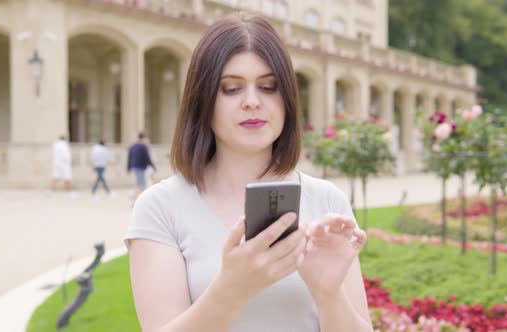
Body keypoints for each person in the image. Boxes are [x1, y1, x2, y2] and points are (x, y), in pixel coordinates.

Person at [124, 14, 373, 332]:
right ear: (203, 101)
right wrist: (231, 290)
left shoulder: (327, 200)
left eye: (269, 87)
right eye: (231, 89)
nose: (252, 102)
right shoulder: (160, 206)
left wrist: (328, 293)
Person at [127, 132, 156, 199]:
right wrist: (153, 166)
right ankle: (137, 198)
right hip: (141, 167)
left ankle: (135, 197)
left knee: (139, 182)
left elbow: (129, 158)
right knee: (141, 184)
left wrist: (128, 168)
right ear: (144, 138)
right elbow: (147, 158)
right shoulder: (143, 146)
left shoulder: (132, 146)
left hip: (134, 166)